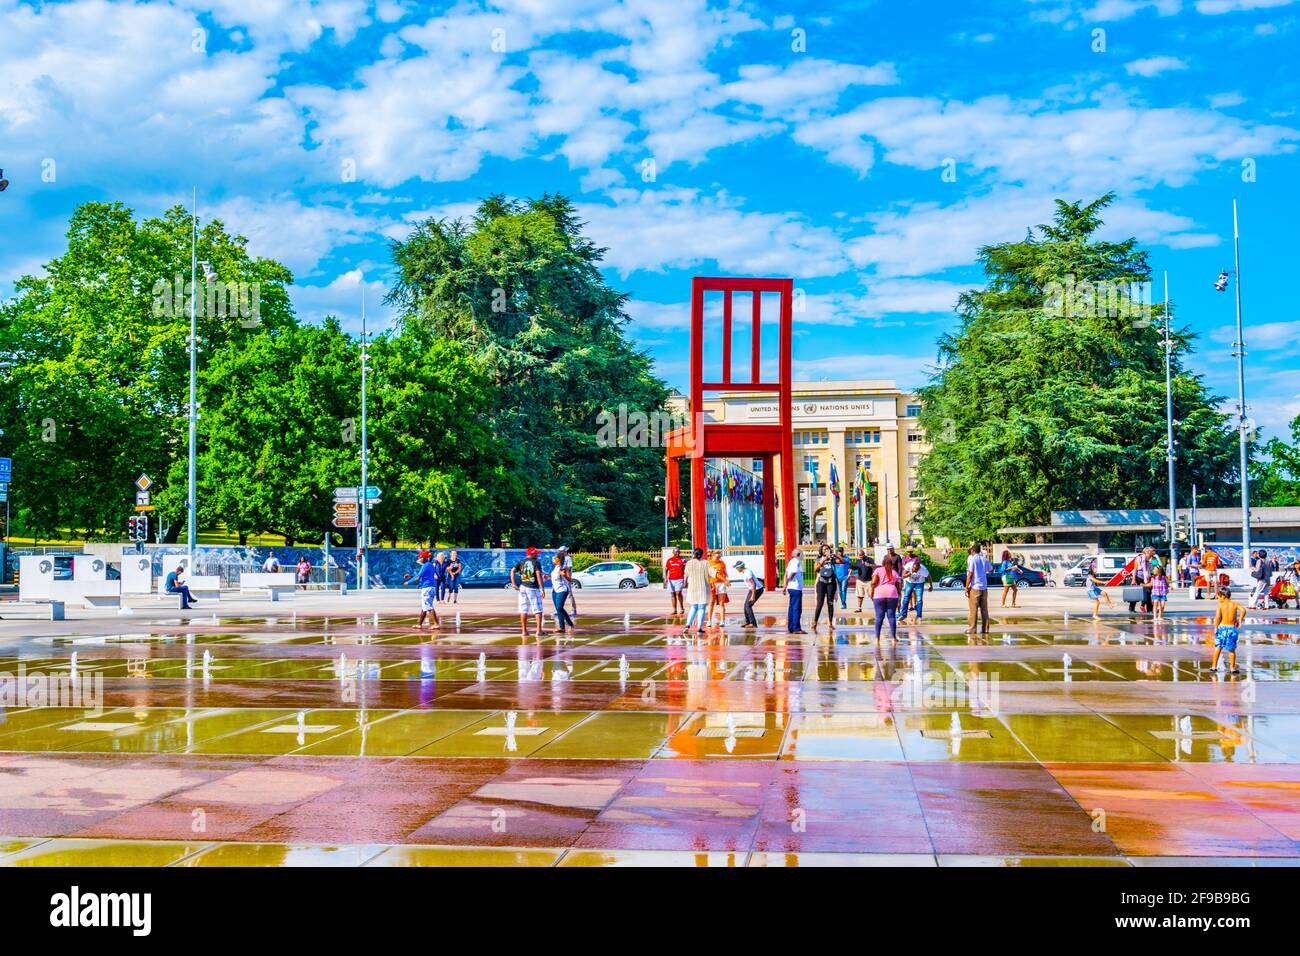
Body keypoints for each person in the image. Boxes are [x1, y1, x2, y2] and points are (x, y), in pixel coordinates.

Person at [1211, 585, 1247, 675]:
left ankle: (1214, 666)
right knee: (1231, 650)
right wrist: (1240, 620)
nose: (1217, 598)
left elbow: (1218, 617)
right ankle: (1232, 668)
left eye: (1218, 596)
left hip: (1222, 628)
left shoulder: (1220, 605)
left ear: (1223, 595)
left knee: (1218, 648)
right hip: (1231, 629)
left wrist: (1216, 627)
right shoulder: (1234, 604)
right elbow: (1243, 610)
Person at [511, 547, 546, 639]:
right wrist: (542, 589)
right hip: (533, 588)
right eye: (536, 554)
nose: (537, 555)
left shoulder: (522, 561)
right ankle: (539, 631)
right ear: (532, 554)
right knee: (538, 609)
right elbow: (538, 575)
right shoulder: (536, 562)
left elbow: (512, 570)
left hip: (523, 587)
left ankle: (524, 631)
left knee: (523, 609)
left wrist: (514, 583)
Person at [402, 553, 441, 629]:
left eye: (420, 557)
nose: (419, 559)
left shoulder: (425, 565)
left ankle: (436, 624)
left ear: (424, 558)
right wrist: (411, 576)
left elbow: (418, 577)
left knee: (428, 606)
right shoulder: (430, 565)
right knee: (425, 607)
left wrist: (408, 582)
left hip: (427, 588)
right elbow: (423, 576)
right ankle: (419, 624)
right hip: (431, 587)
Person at [870, 553, 902, 642]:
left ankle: (877, 638)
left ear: (882, 563)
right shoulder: (894, 572)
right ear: (891, 564)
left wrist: (872, 592)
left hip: (879, 594)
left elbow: (873, 582)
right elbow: (899, 584)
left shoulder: (878, 570)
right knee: (891, 617)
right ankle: (893, 637)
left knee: (879, 617)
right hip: (892, 594)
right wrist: (899, 595)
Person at [683, 548, 711, 636]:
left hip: (692, 588)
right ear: (702, 554)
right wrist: (724, 579)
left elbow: (686, 574)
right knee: (701, 608)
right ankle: (699, 628)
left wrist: (685, 584)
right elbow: (712, 572)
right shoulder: (705, 563)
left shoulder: (689, 563)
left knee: (694, 606)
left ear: (693, 554)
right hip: (703, 588)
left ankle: (687, 626)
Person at [964, 544, 991, 634]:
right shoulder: (984, 559)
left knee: (973, 609)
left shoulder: (973, 559)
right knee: (984, 609)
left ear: (972, 551)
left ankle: (972, 628)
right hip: (984, 587)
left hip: (975, 587)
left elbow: (970, 574)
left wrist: (966, 587)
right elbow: (991, 570)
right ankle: (985, 629)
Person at [811, 544, 837, 631]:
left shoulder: (832, 559)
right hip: (822, 582)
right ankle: (815, 622)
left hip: (831, 582)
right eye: (824, 549)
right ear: (821, 551)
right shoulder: (819, 558)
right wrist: (823, 561)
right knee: (820, 603)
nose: (826, 550)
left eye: (827, 549)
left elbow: (843, 562)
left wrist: (835, 555)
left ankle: (830, 623)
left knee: (830, 603)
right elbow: (815, 569)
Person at [900, 553, 932, 623]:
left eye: (917, 569)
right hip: (909, 582)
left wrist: (931, 586)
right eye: (915, 569)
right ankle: (903, 615)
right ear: (912, 566)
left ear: (919, 567)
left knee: (919, 600)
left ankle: (919, 616)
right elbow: (903, 576)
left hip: (919, 584)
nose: (916, 571)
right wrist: (911, 573)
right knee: (906, 598)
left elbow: (929, 576)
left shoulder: (923, 569)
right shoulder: (908, 565)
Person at [550, 552, 575, 634]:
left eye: (554, 558)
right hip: (555, 590)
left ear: (558, 559)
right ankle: (561, 627)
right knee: (558, 609)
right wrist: (547, 577)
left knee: (560, 607)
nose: (553, 559)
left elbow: (570, 579)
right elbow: (554, 578)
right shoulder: (555, 568)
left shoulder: (564, 568)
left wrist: (564, 575)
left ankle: (570, 624)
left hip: (563, 589)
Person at [784, 548, 805, 634]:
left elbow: (786, 574)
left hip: (791, 588)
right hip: (796, 587)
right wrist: (789, 580)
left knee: (792, 608)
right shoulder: (796, 561)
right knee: (797, 608)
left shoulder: (791, 562)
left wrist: (785, 585)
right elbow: (792, 573)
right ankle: (796, 628)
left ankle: (791, 627)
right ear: (799, 554)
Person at [738, 560, 763, 628]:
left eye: (737, 568)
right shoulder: (745, 572)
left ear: (740, 567)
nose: (736, 569)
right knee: (746, 605)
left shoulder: (747, 573)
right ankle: (748, 622)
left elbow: (753, 584)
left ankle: (753, 624)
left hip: (757, 589)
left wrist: (753, 596)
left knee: (748, 606)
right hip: (753, 589)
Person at [709, 550, 730, 627]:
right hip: (712, 584)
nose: (718, 556)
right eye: (717, 555)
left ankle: (722, 621)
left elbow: (725, 573)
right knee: (711, 603)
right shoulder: (708, 563)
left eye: (719, 555)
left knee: (721, 604)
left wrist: (726, 576)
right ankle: (709, 621)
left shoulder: (722, 563)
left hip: (721, 584)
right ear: (713, 555)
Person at [664, 546, 686, 616]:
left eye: (678, 551)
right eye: (676, 551)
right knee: (672, 594)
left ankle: (682, 608)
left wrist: (685, 578)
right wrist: (665, 578)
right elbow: (666, 569)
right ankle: (674, 610)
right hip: (671, 579)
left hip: (679, 579)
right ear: (673, 552)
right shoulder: (669, 560)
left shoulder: (683, 560)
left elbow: (685, 569)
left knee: (678, 593)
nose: (677, 553)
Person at [852, 549, 875, 613]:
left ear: (864, 554)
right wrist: (851, 567)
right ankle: (859, 608)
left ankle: (876, 607)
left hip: (868, 581)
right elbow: (855, 567)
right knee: (859, 596)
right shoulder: (858, 560)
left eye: (861, 555)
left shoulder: (869, 559)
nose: (860, 557)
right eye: (859, 555)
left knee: (872, 595)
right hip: (860, 580)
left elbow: (875, 566)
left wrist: (869, 565)